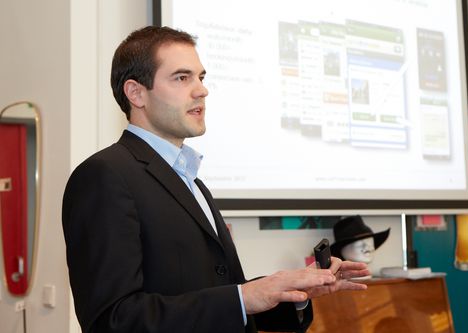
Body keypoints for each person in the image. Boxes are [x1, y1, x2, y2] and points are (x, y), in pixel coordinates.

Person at [62, 26, 370, 333]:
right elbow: (113, 320)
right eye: (182, 78)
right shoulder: (104, 176)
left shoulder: (189, 178)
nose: (201, 90)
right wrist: (242, 297)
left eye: (201, 77)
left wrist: (294, 291)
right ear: (136, 93)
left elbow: (220, 296)